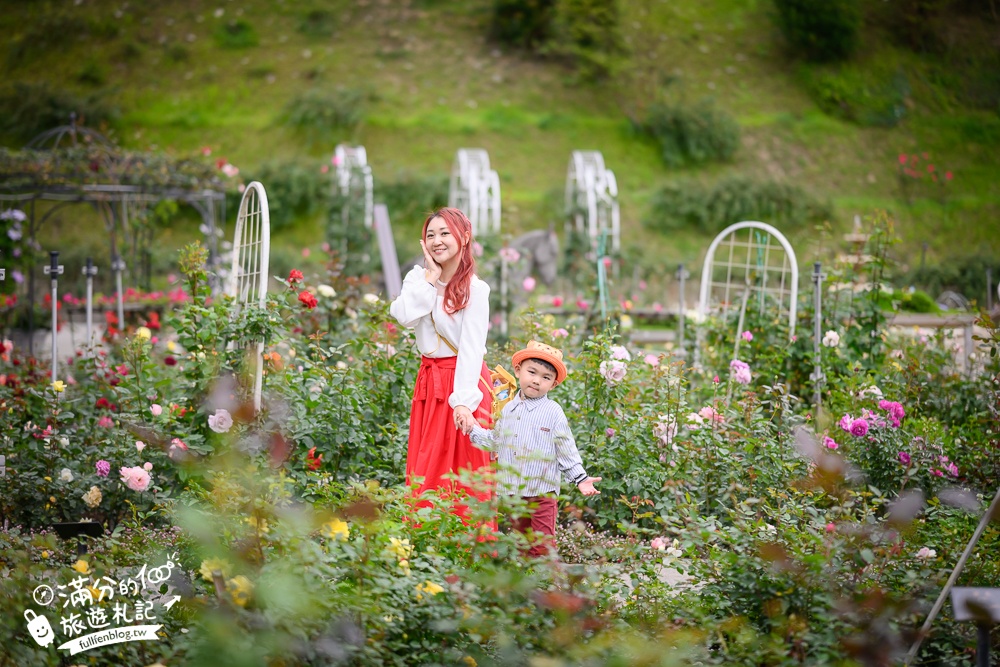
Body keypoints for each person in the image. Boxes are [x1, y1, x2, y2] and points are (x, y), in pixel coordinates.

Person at [389, 207, 494, 521]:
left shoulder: (476, 289)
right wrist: (430, 280)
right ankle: (424, 543)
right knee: (427, 463)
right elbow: (403, 316)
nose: (437, 241)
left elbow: (472, 349)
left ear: (463, 237)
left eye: (445, 233)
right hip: (430, 383)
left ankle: (466, 550)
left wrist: (463, 402)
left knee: (463, 470)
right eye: (430, 234)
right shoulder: (417, 279)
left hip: (464, 383)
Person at [466, 340, 601, 558]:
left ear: (553, 384)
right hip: (514, 491)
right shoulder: (509, 409)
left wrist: (581, 478)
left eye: (546, 377)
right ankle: (527, 587)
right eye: (532, 372)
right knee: (520, 543)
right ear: (518, 371)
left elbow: (565, 448)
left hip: (542, 492)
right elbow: (497, 441)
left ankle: (549, 586)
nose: (537, 381)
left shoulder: (553, 412)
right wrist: (473, 429)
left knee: (542, 545)